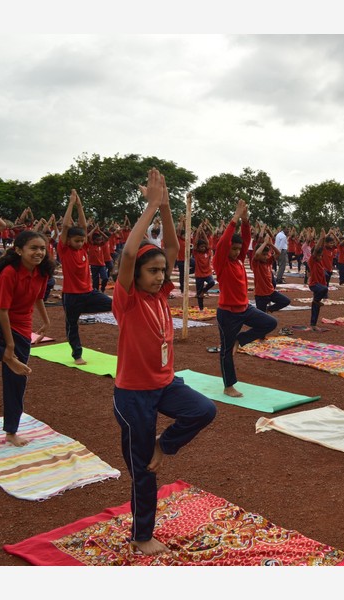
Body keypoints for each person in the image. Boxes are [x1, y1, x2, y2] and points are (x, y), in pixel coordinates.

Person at [112, 168, 216, 557]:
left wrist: (168, 208)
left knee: (203, 410)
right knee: (143, 473)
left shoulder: (159, 295)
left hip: (164, 385)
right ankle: (142, 536)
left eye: (161, 272)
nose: (159, 276)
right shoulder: (127, 299)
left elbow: (172, 249)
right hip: (133, 396)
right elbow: (127, 253)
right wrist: (151, 206)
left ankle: (164, 445)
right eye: (152, 271)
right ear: (135, 275)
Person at [0, 230, 52, 447]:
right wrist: (9, 350)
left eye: (42, 248)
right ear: (19, 250)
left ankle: (11, 432)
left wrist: (46, 321)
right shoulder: (9, 273)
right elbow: (2, 311)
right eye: (33, 248)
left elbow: (39, 299)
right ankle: (9, 359)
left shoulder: (43, 273)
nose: (39, 252)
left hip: (21, 328)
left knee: (16, 383)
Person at [214, 199, 277, 398]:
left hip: (245, 309)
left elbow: (247, 238)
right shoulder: (221, 262)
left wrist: (245, 220)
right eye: (233, 249)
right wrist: (234, 218)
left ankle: (240, 340)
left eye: (238, 249)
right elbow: (224, 243)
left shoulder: (239, 260)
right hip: (228, 313)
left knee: (270, 323)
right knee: (225, 351)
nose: (235, 252)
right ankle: (228, 386)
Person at [57, 190, 113, 365]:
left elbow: (83, 226)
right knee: (72, 325)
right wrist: (71, 203)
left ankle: (83, 311)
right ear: (68, 241)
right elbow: (66, 227)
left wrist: (80, 205)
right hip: (72, 295)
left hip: (88, 293)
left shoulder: (83, 248)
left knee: (114, 303)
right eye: (76, 241)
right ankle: (77, 354)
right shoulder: (64, 250)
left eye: (82, 241)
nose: (80, 243)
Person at [251, 227, 291, 314]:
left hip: (270, 292)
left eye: (267, 255)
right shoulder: (256, 263)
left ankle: (269, 309)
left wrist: (271, 244)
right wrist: (265, 242)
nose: (266, 257)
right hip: (260, 295)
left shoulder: (268, 261)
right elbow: (257, 254)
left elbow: (278, 253)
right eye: (264, 255)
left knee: (285, 301)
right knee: (261, 318)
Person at [307, 230, 329, 329]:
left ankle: (313, 324)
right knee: (324, 289)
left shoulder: (320, 262)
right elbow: (316, 250)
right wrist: (321, 238)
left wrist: (324, 239)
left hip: (319, 286)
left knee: (316, 307)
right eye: (319, 256)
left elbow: (321, 249)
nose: (320, 257)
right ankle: (316, 301)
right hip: (314, 284)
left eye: (321, 256)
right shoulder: (312, 261)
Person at [192, 224, 216, 311]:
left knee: (212, 282)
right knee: (199, 293)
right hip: (199, 275)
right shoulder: (196, 253)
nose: (203, 248)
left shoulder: (208, 252)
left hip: (207, 273)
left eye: (204, 247)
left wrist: (203, 232)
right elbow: (195, 243)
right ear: (198, 248)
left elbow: (207, 242)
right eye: (201, 247)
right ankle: (201, 308)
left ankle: (204, 291)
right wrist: (198, 231)